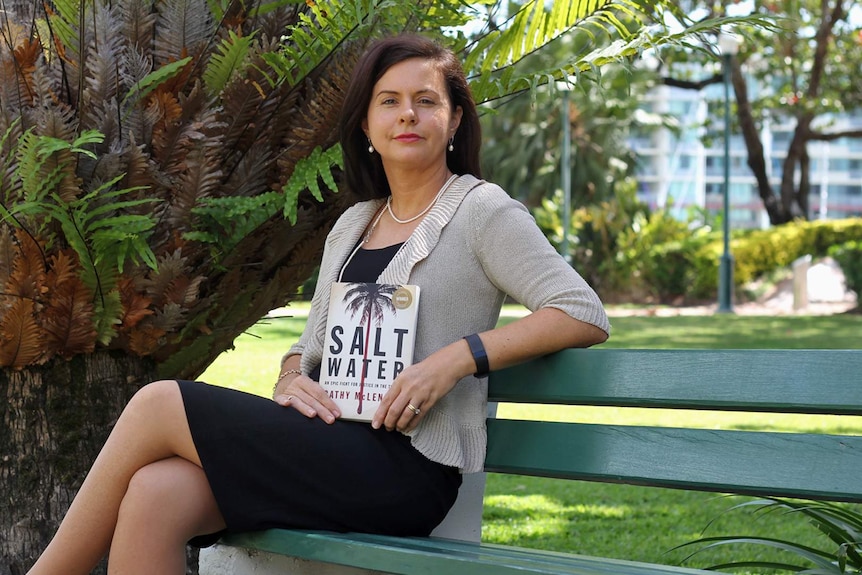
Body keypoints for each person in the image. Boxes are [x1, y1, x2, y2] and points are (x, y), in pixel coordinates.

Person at [27, 34, 609, 575]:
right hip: (331, 446)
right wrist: (288, 379)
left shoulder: (484, 212)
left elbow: (582, 311)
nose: (408, 113)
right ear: (365, 124)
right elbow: (309, 348)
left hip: (406, 470)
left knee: (159, 402)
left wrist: (456, 359)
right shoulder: (353, 226)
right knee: (156, 494)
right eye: (389, 100)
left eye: (426, 100)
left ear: (454, 120)